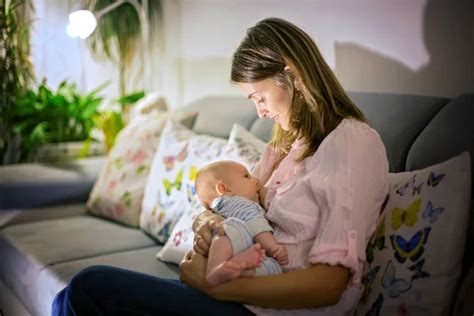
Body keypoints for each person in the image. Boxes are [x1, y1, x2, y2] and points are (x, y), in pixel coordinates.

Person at [52, 17, 388, 315]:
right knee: (63, 298)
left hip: (268, 307)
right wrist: (208, 220)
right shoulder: (284, 145)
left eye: (259, 96)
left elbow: (330, 284)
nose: (260, 112)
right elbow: (237, 204)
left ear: (292, 74)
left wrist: (215, 286)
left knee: (89, 286)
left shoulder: (350, 141)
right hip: (237, 292)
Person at [195, 160, 288, 286]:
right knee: (232, 227)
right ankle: (216, 269)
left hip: (233, 254)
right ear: (224, 189)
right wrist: (273, 246)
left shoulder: (217, 211)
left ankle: (237, 269)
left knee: (273, 268)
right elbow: (256, 224)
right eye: (246, 176)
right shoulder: (237, 202)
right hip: (228, 246)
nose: (255, 181)